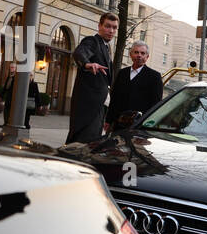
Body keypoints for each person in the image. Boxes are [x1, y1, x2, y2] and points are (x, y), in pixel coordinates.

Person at [65, 12, 117, 144]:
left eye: (114, 27)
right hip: (88, 109)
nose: (111, 31)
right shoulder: (92, 41)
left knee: (89, 144)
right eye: (108, 26)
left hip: (99, 107)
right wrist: (87, 64)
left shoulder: (106, 47)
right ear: (99, 26)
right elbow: (79, 53)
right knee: (82, 144)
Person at [105, 41, 165, 128]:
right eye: (136, 52)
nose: (139, 55)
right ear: (130, 54)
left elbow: (156, 104)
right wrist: (108, 120)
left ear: (147, 57)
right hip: (118, 124)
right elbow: (114, 99)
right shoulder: (122, 73)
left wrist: (148, 125)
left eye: (142, 53)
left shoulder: (154, 76)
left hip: (139, 125)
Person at [0, 61, 39, 130]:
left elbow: (37, 94)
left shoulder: (30, 83)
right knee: (6, 110)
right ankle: (6, 122)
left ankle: (26, 125)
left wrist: (38, 104)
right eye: (10, 67)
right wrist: (2, 95)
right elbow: (6, 87)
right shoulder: (9, 76)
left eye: (13, 68)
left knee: (26, 115)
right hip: (10, 97)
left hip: (26, 100)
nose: (11, 69)